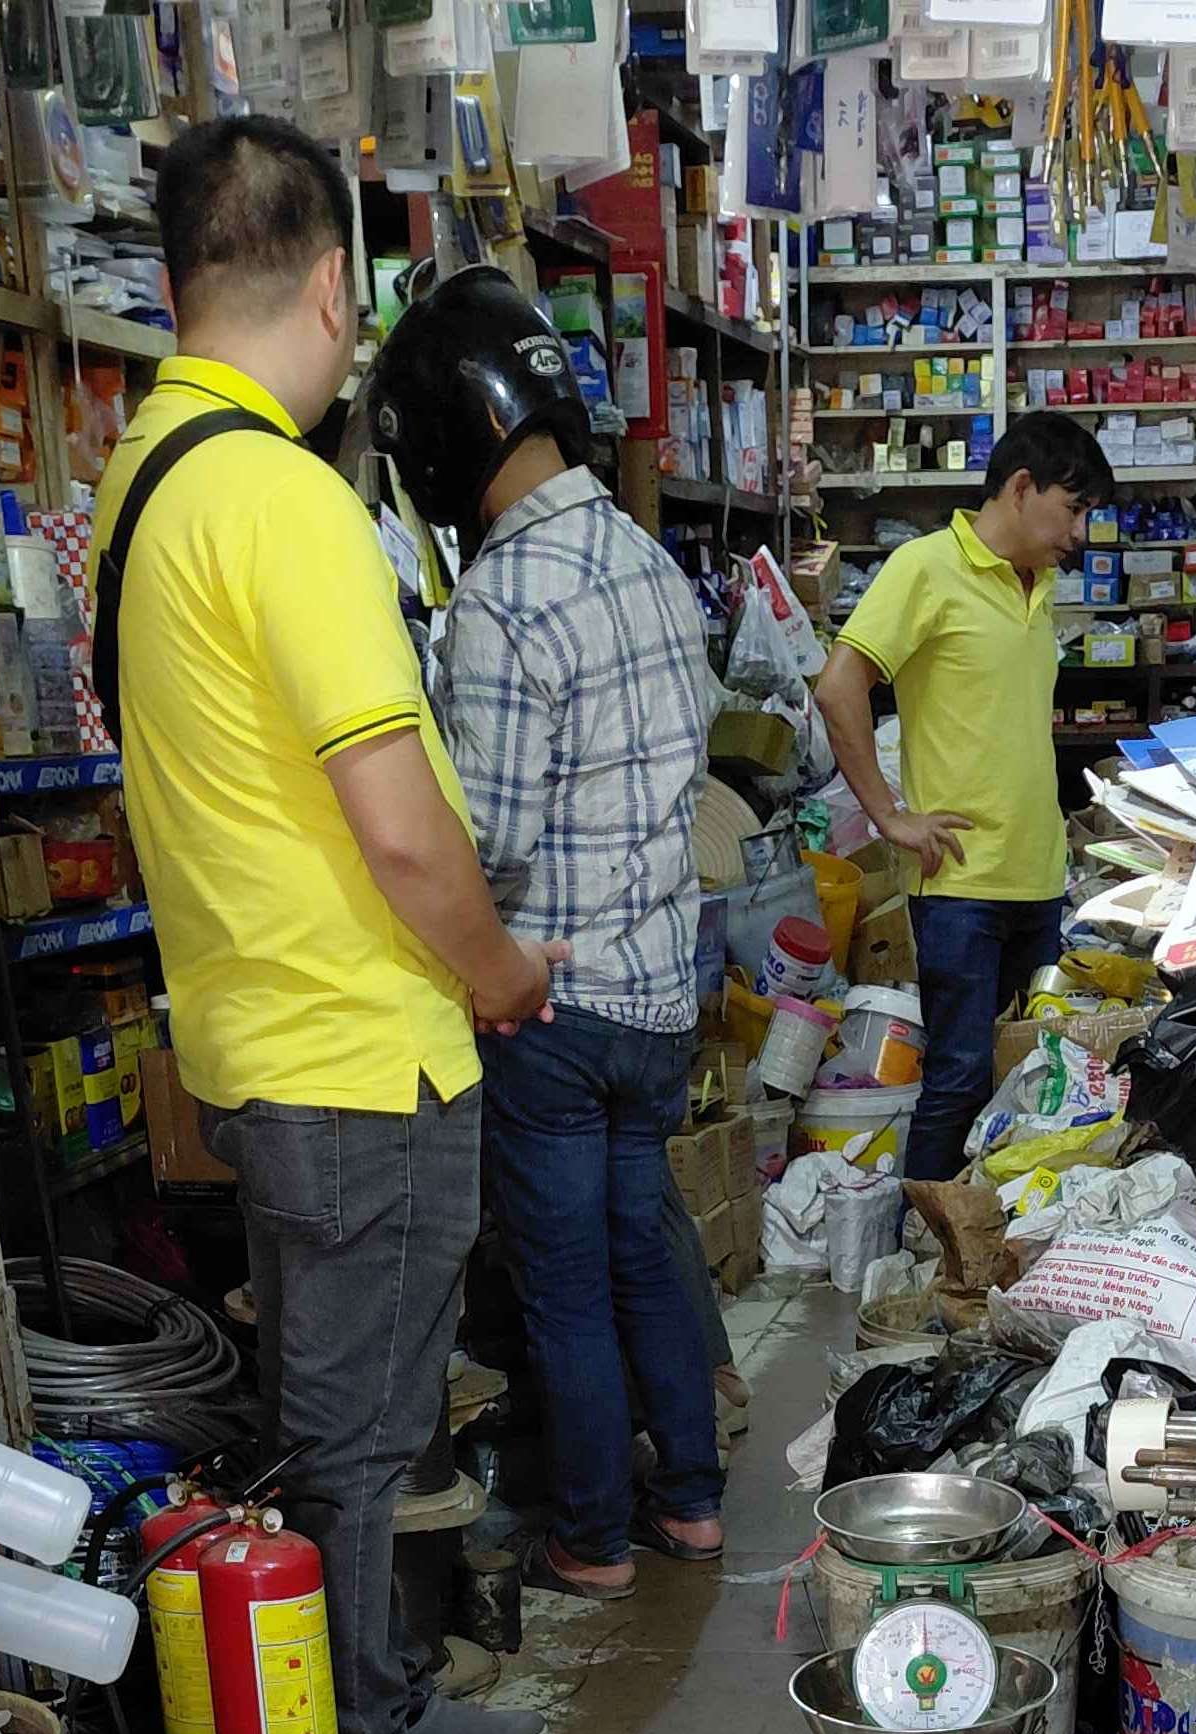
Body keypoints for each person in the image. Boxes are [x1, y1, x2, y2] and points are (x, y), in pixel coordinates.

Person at [91, 119, 556, 1734]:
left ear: (173, 283)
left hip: (258, 1035)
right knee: (359, 1431)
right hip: (357, 1046)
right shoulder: (282, 499)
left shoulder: (145, 479)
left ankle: (377, 1693)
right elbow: (403, 831)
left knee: (335, 1410)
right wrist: (502, 973)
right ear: (335, 286)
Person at [379, 269, 725, 1604]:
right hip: (660, 995)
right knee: (642, 1247)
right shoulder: (649, 559)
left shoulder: (501, 599)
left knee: (565, 1282)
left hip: (557, 1005)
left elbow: (497, 842)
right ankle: (691, 1502)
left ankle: (592, 1536)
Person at [811, 414, 1116, 1184]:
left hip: (1038, 878)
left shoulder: (1040, 584)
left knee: (1028, 1087)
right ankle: (923, 1244)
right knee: (958, 1079)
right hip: (960, 884)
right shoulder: (926, 567)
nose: (1080, 534)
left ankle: (993, 1239)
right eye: (1073, 510)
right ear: (1021, 487)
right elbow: (840, 687)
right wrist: (889, 816)